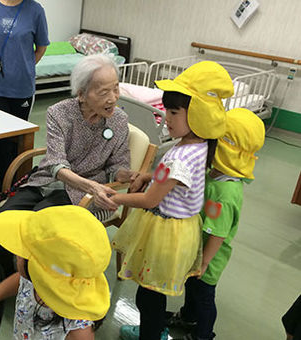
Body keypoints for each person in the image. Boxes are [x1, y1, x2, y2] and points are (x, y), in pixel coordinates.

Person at [110, 61, 235, 340]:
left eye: (174, 111)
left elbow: (149, 200)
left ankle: (151, 334)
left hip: (164, 233)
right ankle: (153, 331)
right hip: (182, 230)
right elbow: (170, 179)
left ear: (199, 115)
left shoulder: (180, 155)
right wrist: (151, 175)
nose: (166, 117)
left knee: (149, 296)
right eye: (167, 109)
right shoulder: (199, 145)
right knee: (153, 292)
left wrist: (114, 197)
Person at [0, 54, 134, 275]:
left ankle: (36, 284)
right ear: (82, 94)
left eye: (115, 89)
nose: (113, 98)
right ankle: (7, 276)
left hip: (83, 197)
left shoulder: (120, 120)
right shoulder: (59, 113)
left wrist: (126, 175)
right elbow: (56, 164)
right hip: (49, 181)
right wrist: (91, 187)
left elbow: (117, 166)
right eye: (104, 92)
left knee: (36, 228)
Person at [166, 107, 265, 340]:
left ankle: (203, 334)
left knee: (204, 297)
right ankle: (188, 318)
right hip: (197, 250)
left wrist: (204, 262)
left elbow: (218, 233)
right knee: (191, 289)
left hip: (209, 258)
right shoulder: (215, 174)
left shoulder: (226, 191)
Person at [0, 205, 111, 339]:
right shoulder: (37, 279)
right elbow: (21, 280)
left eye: (23, 250)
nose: (17, 253)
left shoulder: (78, 330)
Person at [0, 0, 49, 192]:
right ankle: (4, 187)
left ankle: (19, 184)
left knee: (20, 139)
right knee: (0, 141)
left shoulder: (35, 10)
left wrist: (24, 66)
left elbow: (41, 47)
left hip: (22, 88)